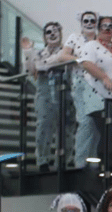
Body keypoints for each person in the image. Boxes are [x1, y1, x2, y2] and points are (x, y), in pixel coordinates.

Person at [22, 22, 76, 171]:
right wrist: (28, 53)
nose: (52, 34)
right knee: (44, 126)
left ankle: (64, 159)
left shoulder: (67, 52)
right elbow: (33, 71)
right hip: (45, 94)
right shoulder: (38, 53)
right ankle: (43, 160)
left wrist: (45, 64)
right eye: (48, 32)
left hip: (65, 93)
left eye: (55, 31)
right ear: (44, 37)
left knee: (66, 128)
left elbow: (68, 66)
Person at [80, 16, 112, 168]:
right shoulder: (91, 45)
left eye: (110, 26)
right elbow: (86, 63)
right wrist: (104, 77)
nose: (107, 29)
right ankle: (106, 172)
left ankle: (110, 170)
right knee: (108, 133)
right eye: (104, 26)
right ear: (98, 28)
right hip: (99, 97)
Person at [58, 11, 98, 169]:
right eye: (86, 20)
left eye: (92, 20)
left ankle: (93, 160)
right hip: (81, 82)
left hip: (97, 83)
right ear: (81, 22)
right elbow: (63, 56)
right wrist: (81, 60)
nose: (89, 23)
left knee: (96, 122)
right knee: (85, 120)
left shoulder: (99, 39)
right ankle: (80, 161)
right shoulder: (74, 37)